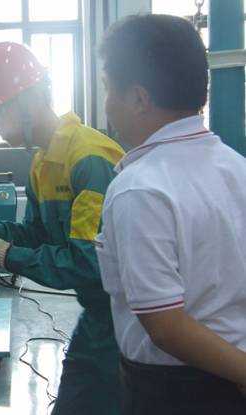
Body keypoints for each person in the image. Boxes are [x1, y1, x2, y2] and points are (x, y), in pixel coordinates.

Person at [0, 41, 125, 414]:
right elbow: (40, 236)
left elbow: (88, 265)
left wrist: (6, 256)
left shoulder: (89, 160)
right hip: (98, 317)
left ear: (27, 101)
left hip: (128, 325)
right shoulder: (43, 163)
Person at [96, 14, 246, 415]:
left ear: (139, 99)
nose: (106, 105)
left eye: (108, 88)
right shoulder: (236, 167)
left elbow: (166, 327)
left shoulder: (139, 189)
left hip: (177, 391)